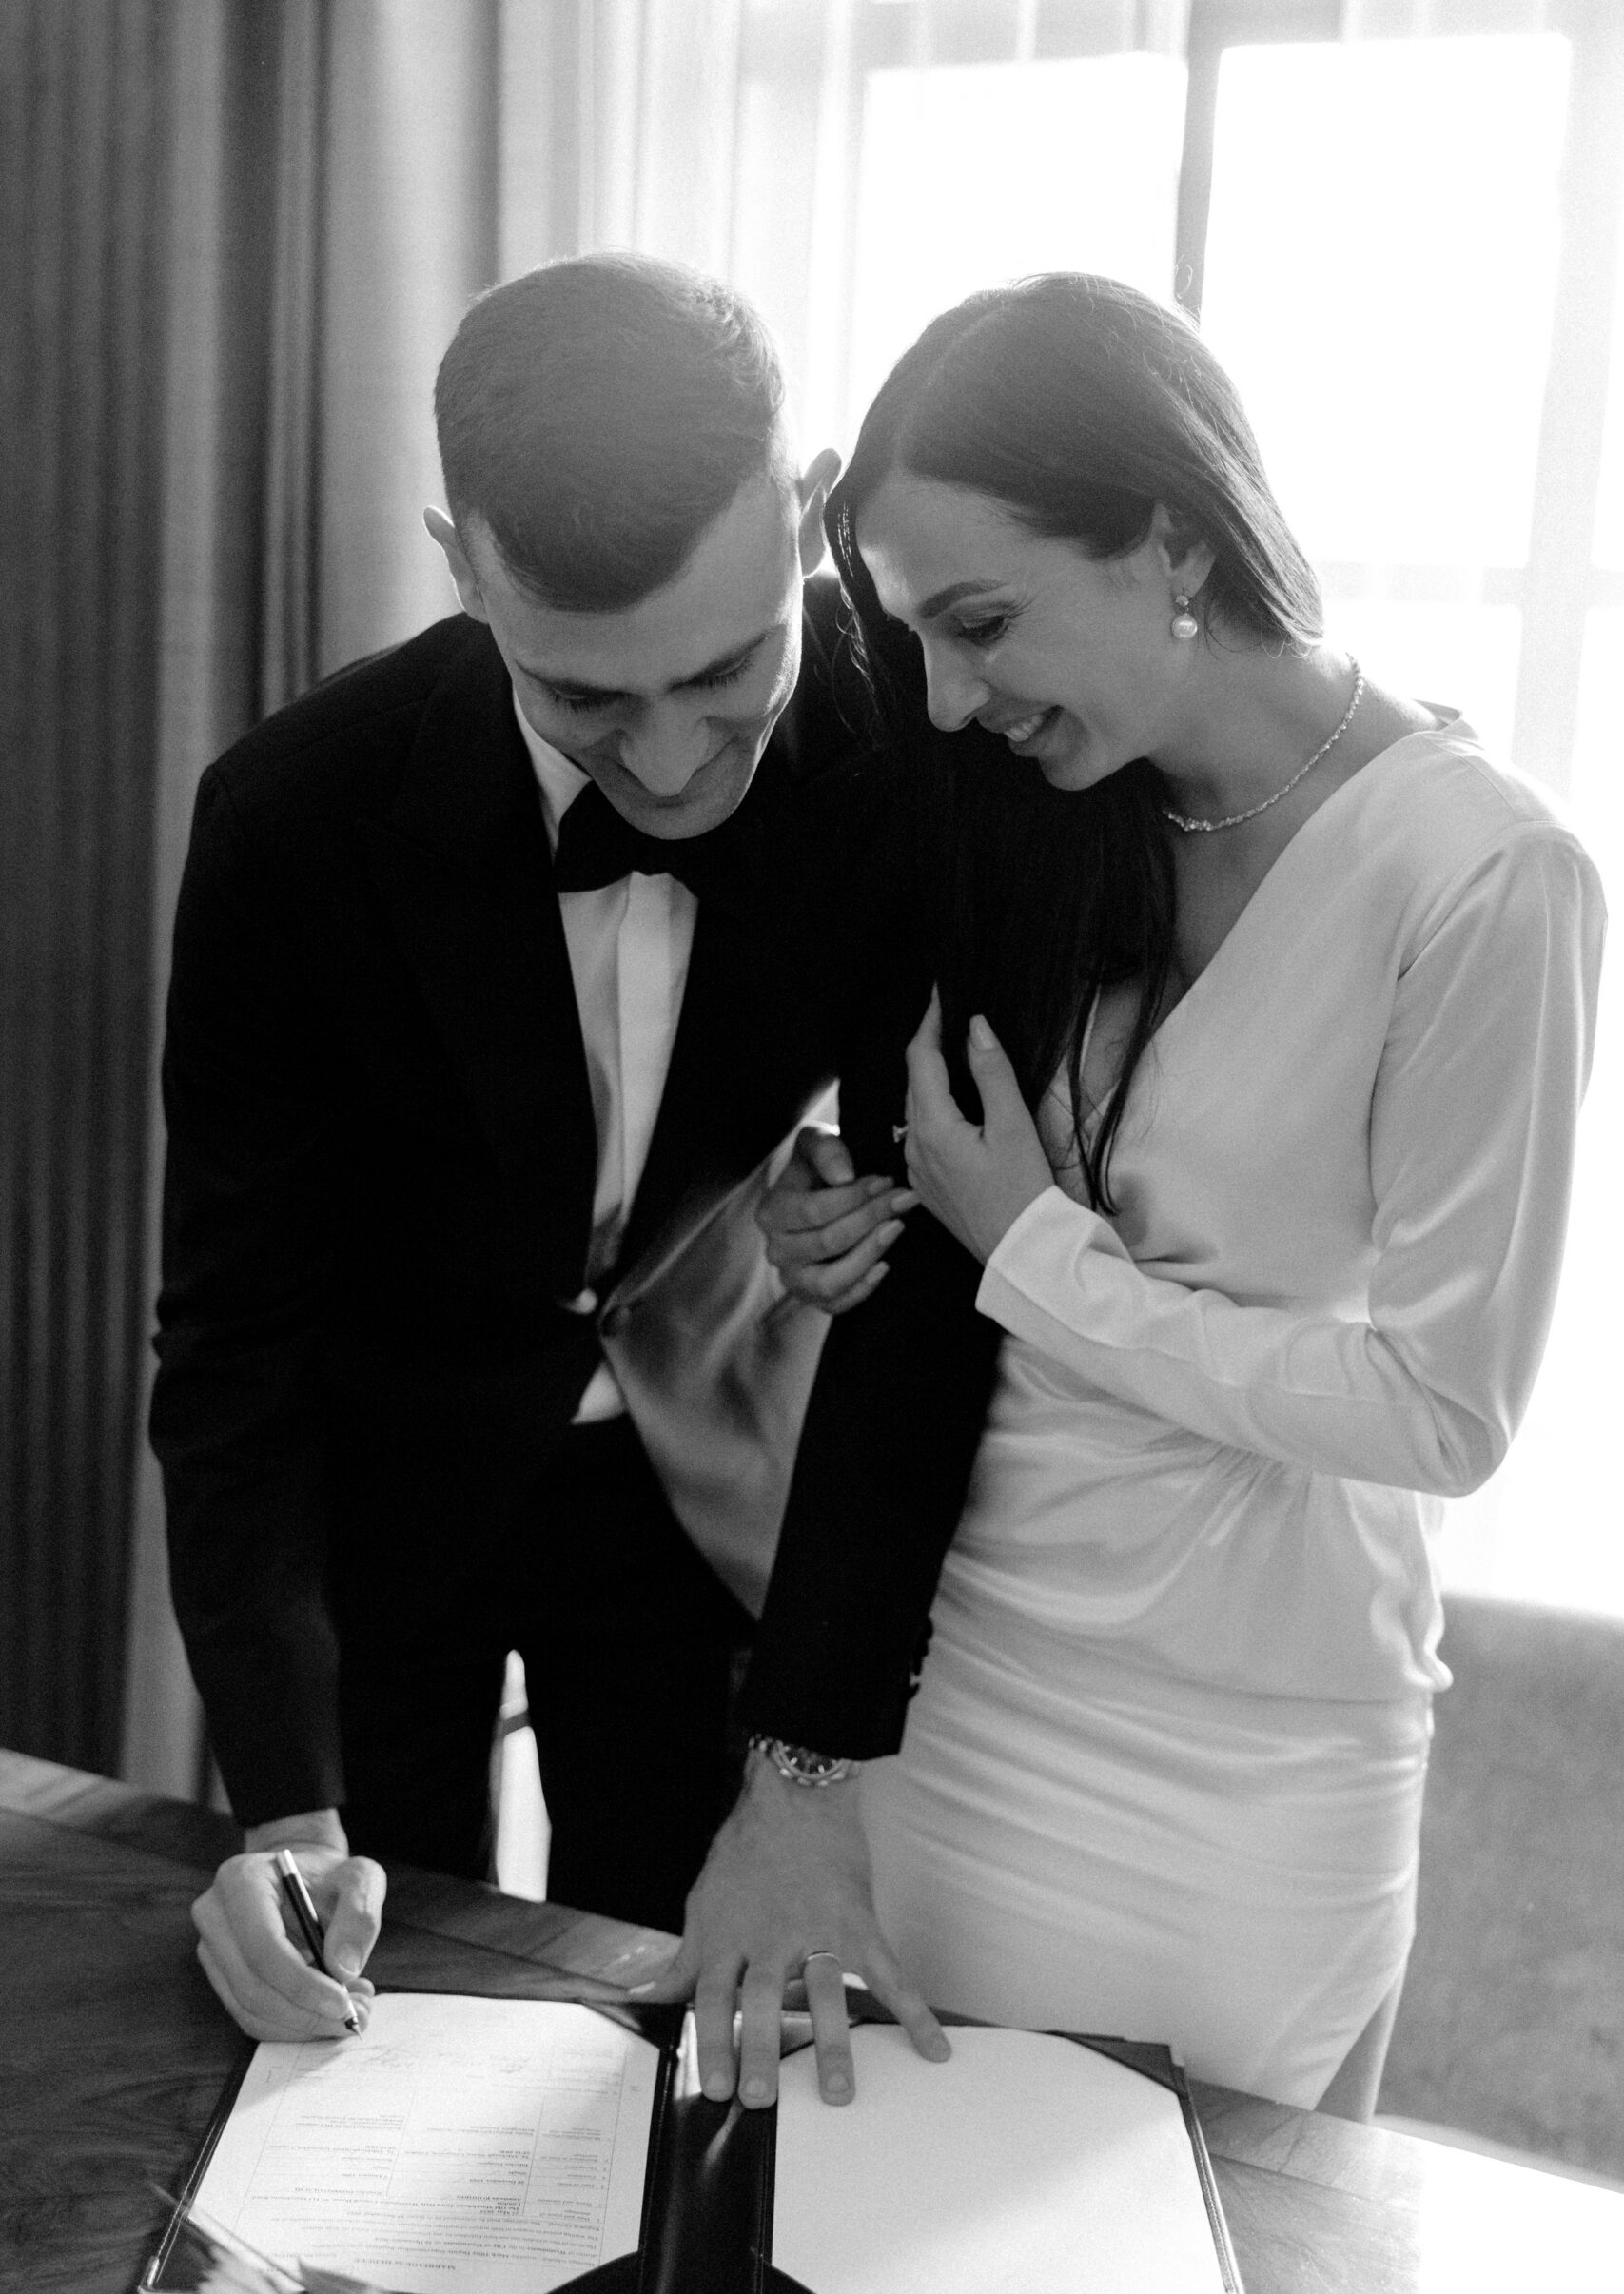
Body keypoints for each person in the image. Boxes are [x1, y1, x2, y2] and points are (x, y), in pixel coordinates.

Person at [729, 273, 1606, 2112]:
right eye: (917, 637)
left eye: (981, 623)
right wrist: (819, 1214)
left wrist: (1041, 1258)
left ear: (1172, 541)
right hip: (955, 1697)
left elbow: (1446, 1415)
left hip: (1243, 1756)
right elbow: (917, 1210)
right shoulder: (1042, 804)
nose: (950, 699)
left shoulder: (1486, 878)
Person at [152, 250, 949, 2073]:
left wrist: (810, 1766)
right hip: (386, 1492)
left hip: (699, 1486)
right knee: (359, 2015)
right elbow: (232, 1347)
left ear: (808, 512)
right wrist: (283, 1808)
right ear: (459, 566)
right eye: (590, 701)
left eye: (727, 671)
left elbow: (936, 1250)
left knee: (684, 2025)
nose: (674, 761)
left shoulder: (912, 755)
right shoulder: (291, 816)